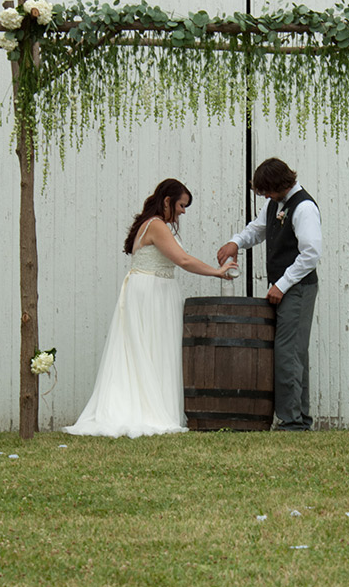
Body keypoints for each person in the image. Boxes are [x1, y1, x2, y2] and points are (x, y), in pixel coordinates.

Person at [64, 178, 236, 438]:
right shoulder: (156, 225)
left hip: (155, 290)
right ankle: (146, 411)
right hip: (151, 292)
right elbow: (182, 259)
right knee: (149, 348)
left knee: (153, 348)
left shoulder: (154, 225)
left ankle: (153, 406)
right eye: (181, 205)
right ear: (167, 201)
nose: (183, 211)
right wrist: (217, 272)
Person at [217, 158, 321, 431]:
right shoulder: (276, 203)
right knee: (293, 352)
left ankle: (293, 423)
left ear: (280, 184)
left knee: (289, 352)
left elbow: (310, 254)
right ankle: (299, 417)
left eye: (266, 191)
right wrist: (235, 241)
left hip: (298, 288)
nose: (264, 196)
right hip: (287, 286)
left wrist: (282, 284)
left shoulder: (304, 208)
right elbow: (259, 229)